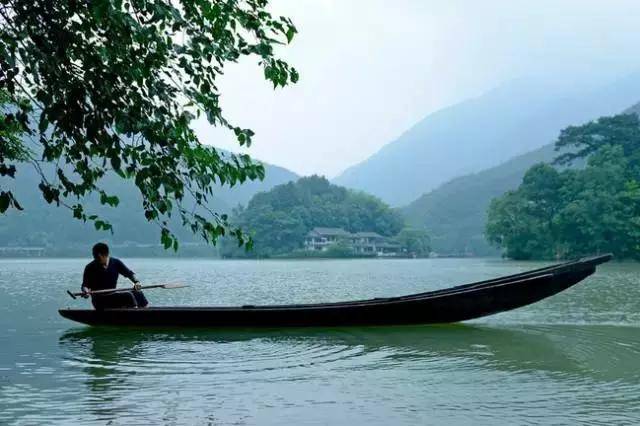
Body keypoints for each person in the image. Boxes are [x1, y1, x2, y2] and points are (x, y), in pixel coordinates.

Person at [81, 243, 148, 310]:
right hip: (100, 300)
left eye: (97, 257)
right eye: (94, 256)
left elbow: (130, 274)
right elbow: (85, 285)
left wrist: (136, 282)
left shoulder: (115, 263)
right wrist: (86, 292)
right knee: (128, 296)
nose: (95, 259)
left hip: (113, 296)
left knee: (138, 292)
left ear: (105, 255)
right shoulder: (90, 267)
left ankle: (146, 312)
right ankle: (135, 314)